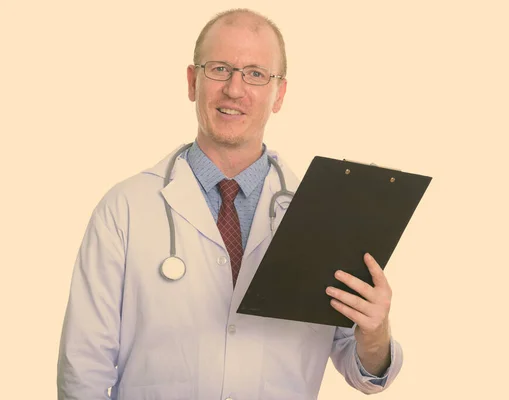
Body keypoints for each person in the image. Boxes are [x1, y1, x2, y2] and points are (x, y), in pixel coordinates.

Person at [57, 8, 403, 400]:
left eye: (256, 74)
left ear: (280, 94)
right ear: (193, 81)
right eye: (220, 69)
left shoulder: (325, 214)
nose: (235, 90)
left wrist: (375, 331)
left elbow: (363, 371)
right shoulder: (126, 208)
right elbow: (83, 368)